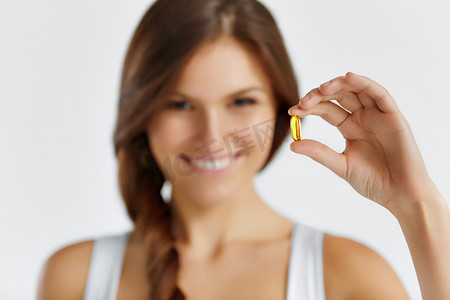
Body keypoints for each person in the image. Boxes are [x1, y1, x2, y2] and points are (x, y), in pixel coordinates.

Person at [36, 0, 450, 299]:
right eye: (180, 104)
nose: (212, 134)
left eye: (240, 102)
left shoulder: (347, 275)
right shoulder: (76, 277)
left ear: (282, 108)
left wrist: (416, 204)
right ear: (142, 116)